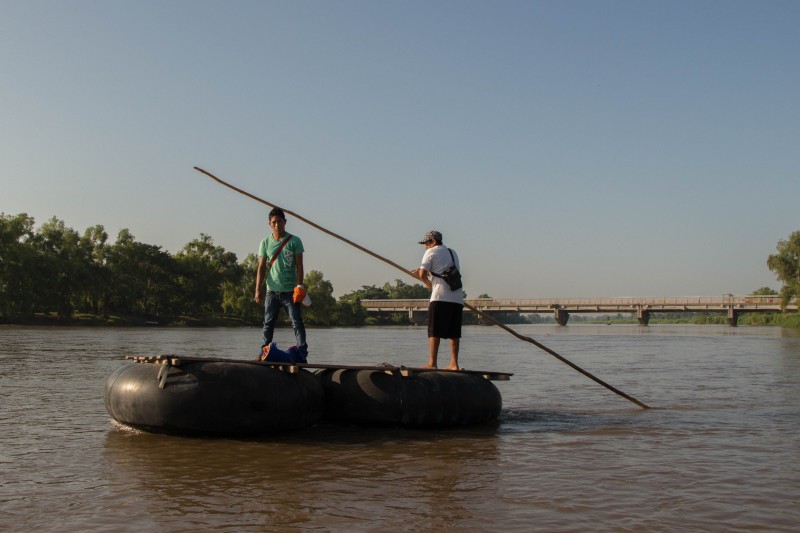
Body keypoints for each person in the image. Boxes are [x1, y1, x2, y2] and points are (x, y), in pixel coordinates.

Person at [254, 207, 308, 361]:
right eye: (274, 222)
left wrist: (300, 286)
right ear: (269, 224)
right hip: (272, 290)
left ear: (285, 222)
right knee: (268, 323)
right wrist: (257, 290)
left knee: (296, 321)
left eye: (279, 221)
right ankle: (264, 351)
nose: (277, 224)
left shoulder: (295, 241)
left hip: (290, 291)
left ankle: (302, 352)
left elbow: (300, 266)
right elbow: (261, 267)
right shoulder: (265, 243)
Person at [410, 230, 464, 370]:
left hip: (440, 297)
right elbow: (442, 270)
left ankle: (432, 364)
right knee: (454, 333)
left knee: (434, 331)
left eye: (426, 243)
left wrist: (427, 284)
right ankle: (454, 364)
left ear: (433, 241)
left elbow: (422, 275)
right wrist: (427, 274)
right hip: (457, 298)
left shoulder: (431, 252)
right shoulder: (453, 252)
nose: (425, 246)